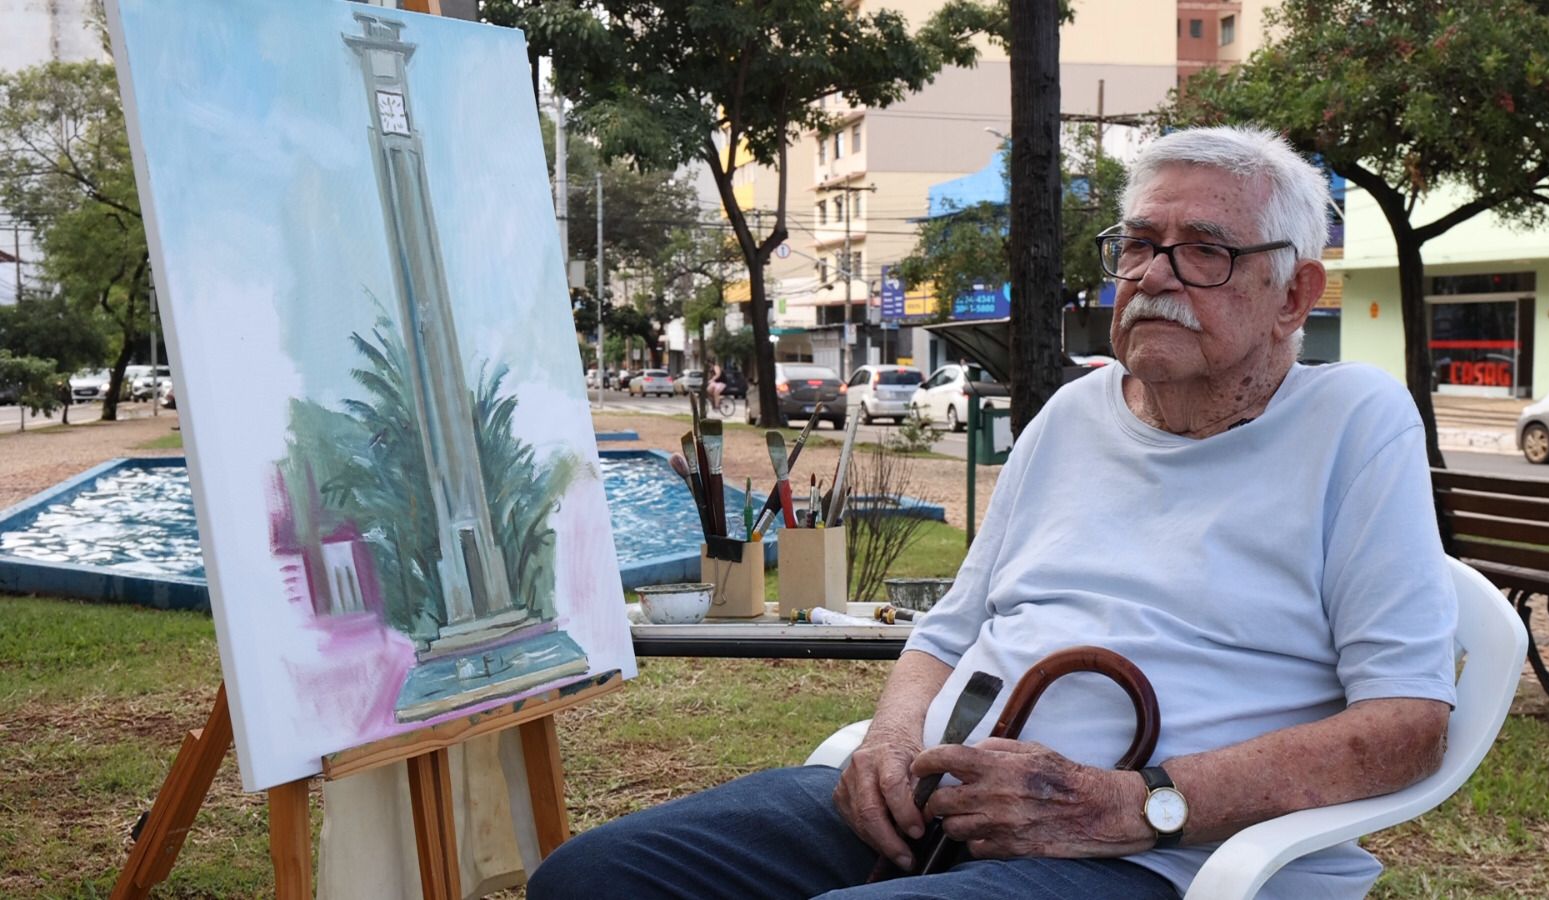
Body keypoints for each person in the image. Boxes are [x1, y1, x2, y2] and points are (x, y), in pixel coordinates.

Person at [527, 126, 1455, 900]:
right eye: (1137, 245)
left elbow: (1407, 723)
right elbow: (949, 630)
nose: (1155, 275)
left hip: (1156, 856)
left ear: (1295, 294)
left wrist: (1135, 802)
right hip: (941, 796)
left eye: (1205, 250)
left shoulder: (1353, 423)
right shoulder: (1074, 414)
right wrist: (890, 744)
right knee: (594, 879)